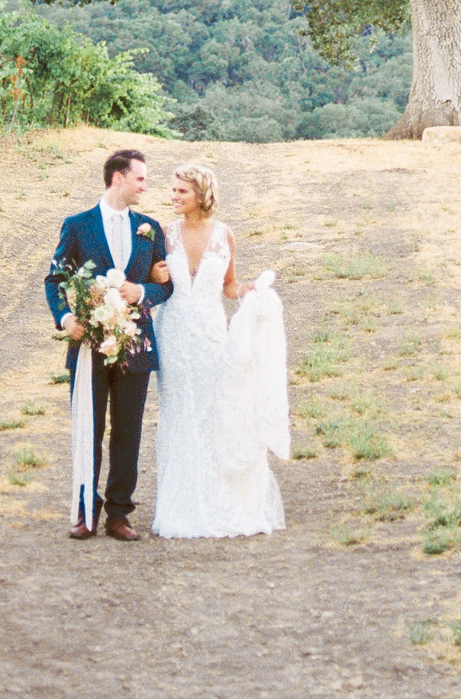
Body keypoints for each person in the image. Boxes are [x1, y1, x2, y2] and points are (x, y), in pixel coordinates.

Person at [151, 161, 288, 539]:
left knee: (213, 409)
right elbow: (152, 279)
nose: (173, 196)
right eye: (172, 190)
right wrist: (153, 276)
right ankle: (180, 502)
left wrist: (249, 292)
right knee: (178, 411)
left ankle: (218, 499)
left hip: (211, 334)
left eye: (181, 191)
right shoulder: (163, 234)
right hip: (174, 333)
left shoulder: (224, 235)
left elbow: (228, 285)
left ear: (200, 195)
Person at [46, 149, 172, 541]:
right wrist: (67, 320)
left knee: (128, 430)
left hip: (134, 345)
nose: (144, 186)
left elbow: (167, 286)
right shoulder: (78, 225)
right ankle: (86, 512)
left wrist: (142, 291)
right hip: (89, 347)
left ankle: (120, 512)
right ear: (118, 178)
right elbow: (55, 280)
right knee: (89, 428)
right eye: (140, 179)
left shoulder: (150, 228)